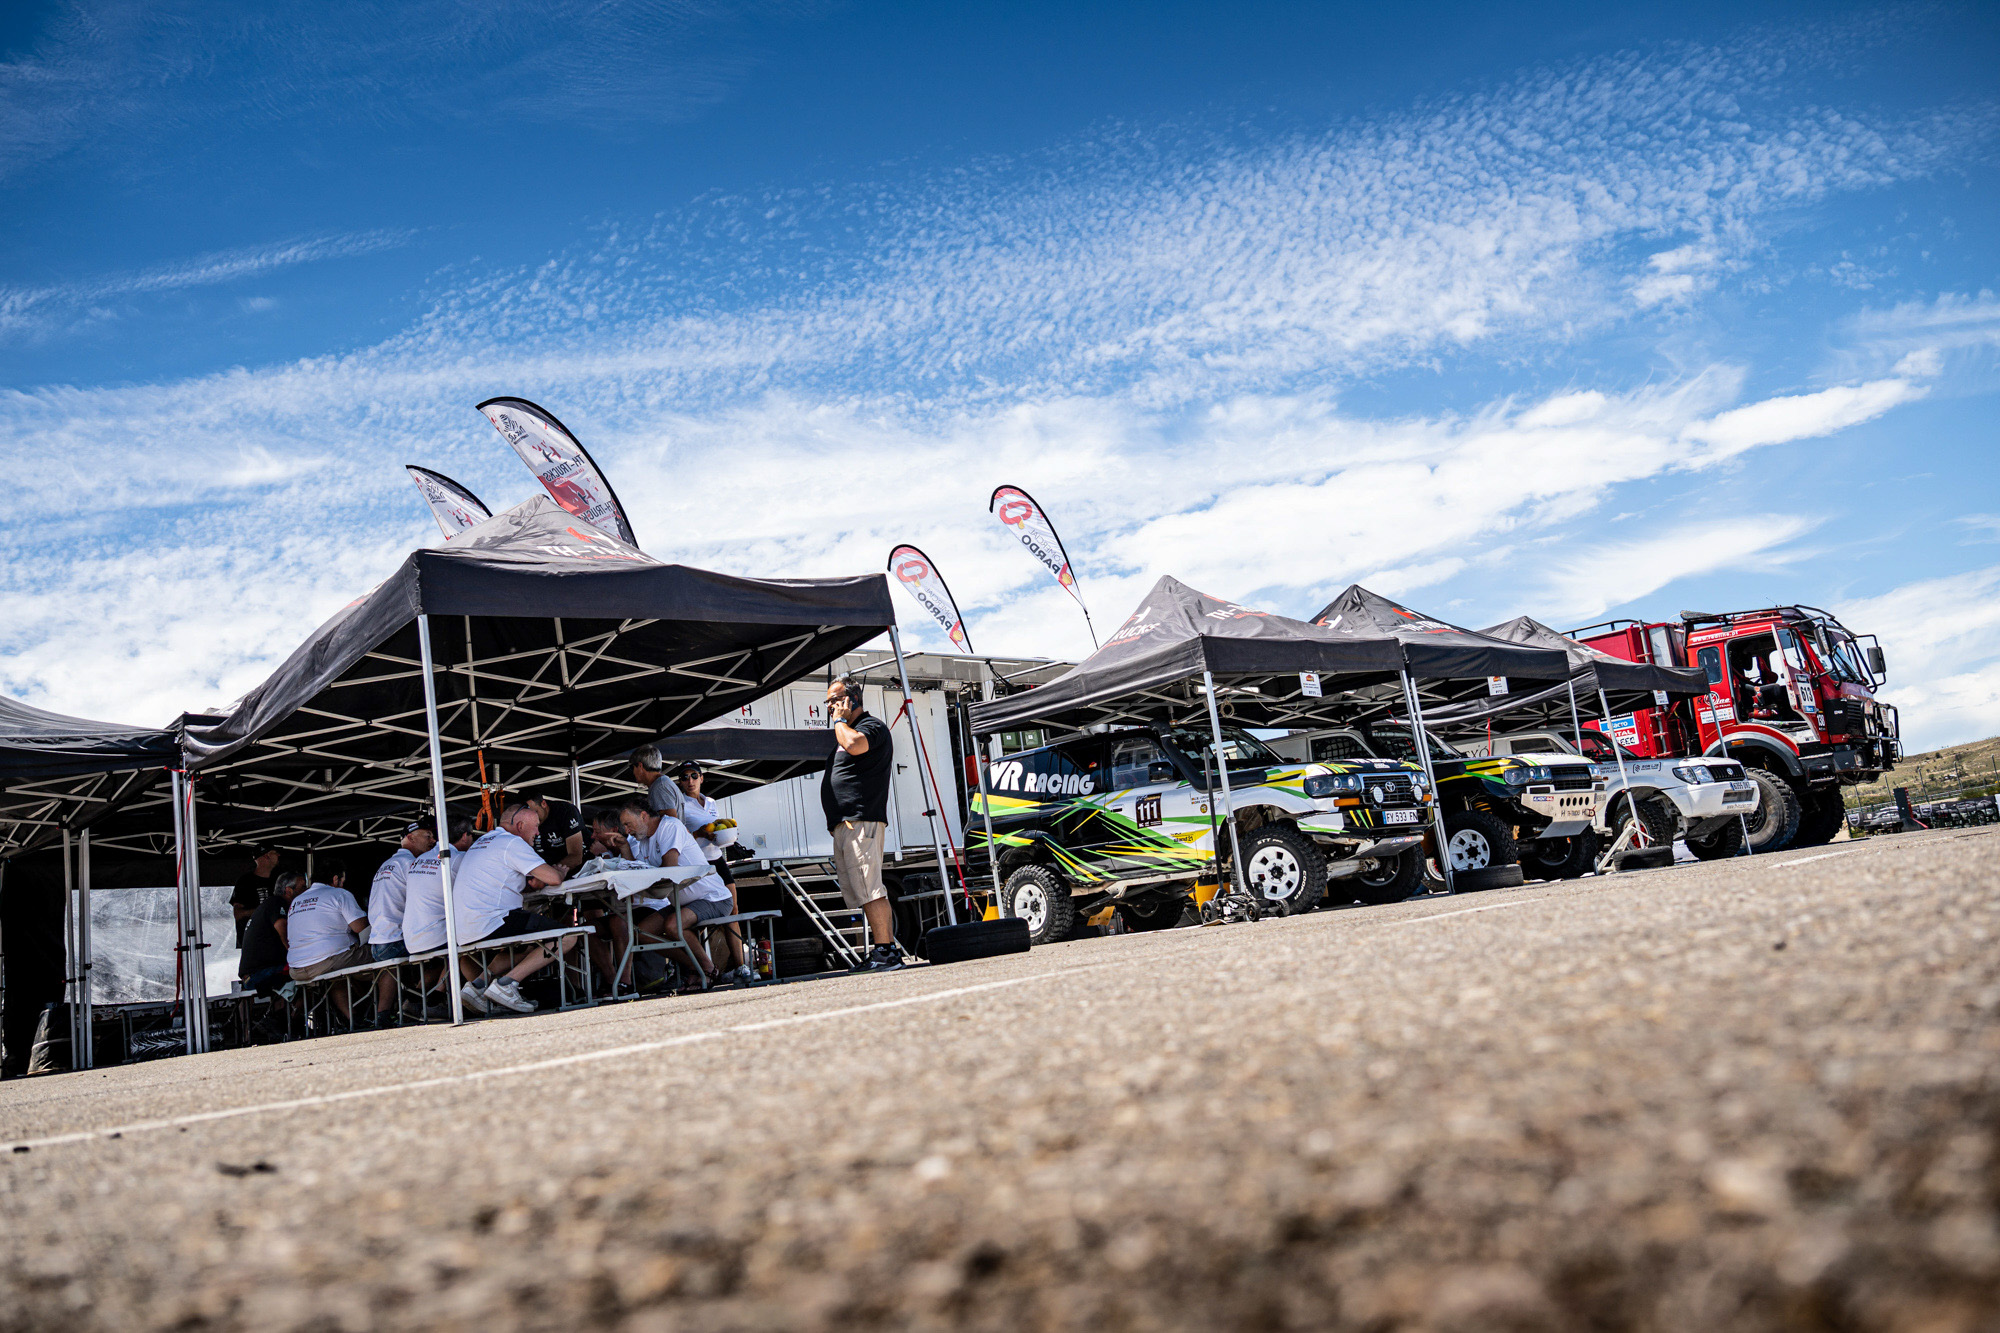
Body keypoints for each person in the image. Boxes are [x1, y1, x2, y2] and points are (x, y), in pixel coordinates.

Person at [451, 802, 576, 1015]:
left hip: (465, 928)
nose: (538, 833)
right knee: (568, 936)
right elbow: (553, 878)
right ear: (520, 826)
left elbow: (507, 881)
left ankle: (477, 986)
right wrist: (560, 872)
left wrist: (535, 882)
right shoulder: (512, 843)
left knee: (526, 945)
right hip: (493, 921)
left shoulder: (483, 841)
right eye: (536, 827)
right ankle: (507, 985)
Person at [618, 795, 745, 987]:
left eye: (628, 824)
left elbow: (670, 868)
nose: (627, 831)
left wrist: (645, 877)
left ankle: (708, 968)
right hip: (683, 902)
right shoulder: (644, 839)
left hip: (713, 897)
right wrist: (624, 847)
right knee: (641, 932)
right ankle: (696, 966)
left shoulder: (669, 826)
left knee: (673, 925)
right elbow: (639, 871)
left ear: (643, 816)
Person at [821, 673, 901, 971]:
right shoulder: (846, 730)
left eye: (835, 700)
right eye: (828, 702)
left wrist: (840, 721)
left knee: (870, 887)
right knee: (862, 890)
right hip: (847, 824)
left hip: (862, 819)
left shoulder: (871, 726)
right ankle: (883, 951)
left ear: (852, 699)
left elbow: (855, 745)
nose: (830, 706)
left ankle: (886, 953)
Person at [674, 762, 748, 976]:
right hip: (698, 863)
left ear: (701, 778)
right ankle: (702, 969)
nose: (690, 781)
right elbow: (679, 836)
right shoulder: (681, 805)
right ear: (680, 782)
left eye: (694, 776)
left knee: (733, 908)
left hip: (716, 857)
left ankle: (740, 965)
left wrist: (725, 833)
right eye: (685, 777)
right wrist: (699, 833)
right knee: (700, 916)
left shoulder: (711, 802)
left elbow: (717, 828)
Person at [366, 818, 436, 1023]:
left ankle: (383, 1014)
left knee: (391, 966)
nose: (433, 841)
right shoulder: (411, 864)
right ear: (410, 838)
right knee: (444, 953)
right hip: (395, 938)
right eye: (428, 836)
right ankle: (417, 1001)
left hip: (378, 941)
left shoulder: (387, 864)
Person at [285, 864, 371, 1024]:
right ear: (335, 879)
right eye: (343, 880)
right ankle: (387, 1009)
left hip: (297, 968)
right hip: (326, 961)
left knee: (336, 977)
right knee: (383, 954)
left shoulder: (297, 901)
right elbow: (361, 928)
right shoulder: (339, 894)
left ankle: (354, 1019)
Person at [237, 871, 305, 995]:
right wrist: (299, 956)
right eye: (303, 887)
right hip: (260, 973)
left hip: (255, 974)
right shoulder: (277, 902)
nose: (306, 891)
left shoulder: (270, 904)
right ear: (289, 891)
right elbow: (283, 930)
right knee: (307, 976)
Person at [229, 846, 281, 948]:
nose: (278, 855)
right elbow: (238, 914)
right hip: (254, 943)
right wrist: (262, 911)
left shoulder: (278, 880)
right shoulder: (245, 882)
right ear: (266, 856)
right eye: (275, 852)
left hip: (275, 942)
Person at [522, 792, 586, 873]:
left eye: (536, 812)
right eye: (528, 816)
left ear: (543, 804)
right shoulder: (525, 822)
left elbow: (576, 857)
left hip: (584, 870)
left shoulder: (565, 811)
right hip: (551, 870)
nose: (534, 818)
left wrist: (548, 875)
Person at [630, 744, 682, 822]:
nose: (633, 772)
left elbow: (670, 823)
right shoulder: (662, 783)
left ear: (640, 766)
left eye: (632, 767)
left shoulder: (660, 787)